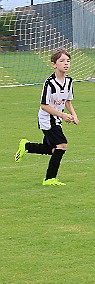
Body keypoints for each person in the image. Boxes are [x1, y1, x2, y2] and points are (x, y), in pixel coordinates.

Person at [14, 48, 79, 185]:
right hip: (47, 120)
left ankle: (27, 146)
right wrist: (63, 115)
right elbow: (44, 105)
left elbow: (67, 101)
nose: (66, 63)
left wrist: (74, 115)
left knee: (53, 149)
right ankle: (49, 179)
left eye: (68, 61)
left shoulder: (69, 81)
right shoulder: (49, 83)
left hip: (57, 119)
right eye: (61, 61)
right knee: (62, 145)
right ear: (54, 64)